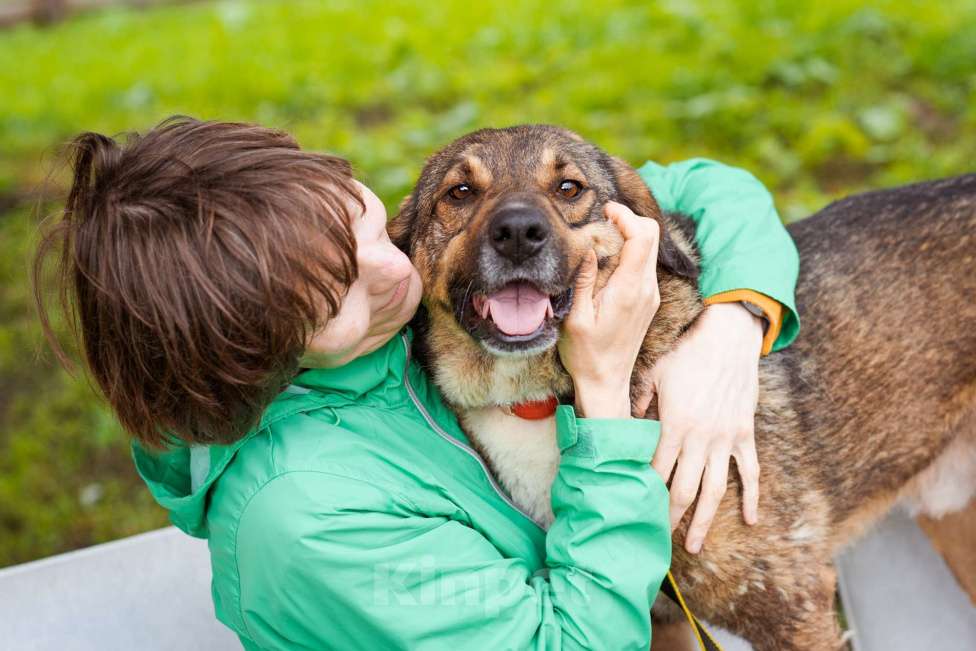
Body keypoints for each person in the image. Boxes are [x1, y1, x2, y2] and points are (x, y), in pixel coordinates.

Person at [33, 117, 798, 649]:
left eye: (363, 224)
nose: (393, 266)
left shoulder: (386, 332)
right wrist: (603, 393)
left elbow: (705, 188)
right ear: (256, 356)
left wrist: (732, 325)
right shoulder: (304, 521)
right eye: (340, 292)